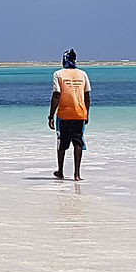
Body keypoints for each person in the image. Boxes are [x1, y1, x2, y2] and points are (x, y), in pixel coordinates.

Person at [48, 48, 91, 181]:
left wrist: (51, 116)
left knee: (62, 144)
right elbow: (87, 96)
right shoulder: (83, 74)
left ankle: (60, 171)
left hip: (64, 114)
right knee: (78, 143)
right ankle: (76, 175)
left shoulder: (58, 74)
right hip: (79, 113)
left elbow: (56, 95)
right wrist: (87, 114)